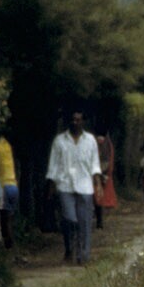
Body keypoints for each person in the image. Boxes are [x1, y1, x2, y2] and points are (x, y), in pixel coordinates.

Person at [45, 111, 102, 265]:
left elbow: (95, 164)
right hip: (65, 185)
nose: (75, 123)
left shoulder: (90, 140)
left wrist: (98, 184)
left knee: (85, 222)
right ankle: (69, 249)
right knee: (70, 219)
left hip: (85, 186)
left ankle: (83, 255)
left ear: (83, 122)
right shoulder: (59, 141)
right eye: (73, 120)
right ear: (68, 121)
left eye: (78, 120)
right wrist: (51, 186)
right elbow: (53, 165)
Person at [0, 131, 18, 249]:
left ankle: (9, 246)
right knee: (9, 217)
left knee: (4, 219)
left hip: (4, 186)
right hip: (13, 185)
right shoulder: (7, 146)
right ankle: (11, 244)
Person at [94, 128, 118, 228]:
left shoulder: (99, 142)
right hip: (105, 173)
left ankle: (99, 219)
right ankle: (99, 220)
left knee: (97, 197)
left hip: (98, 173)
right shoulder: (108, 144)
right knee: (100, 197)